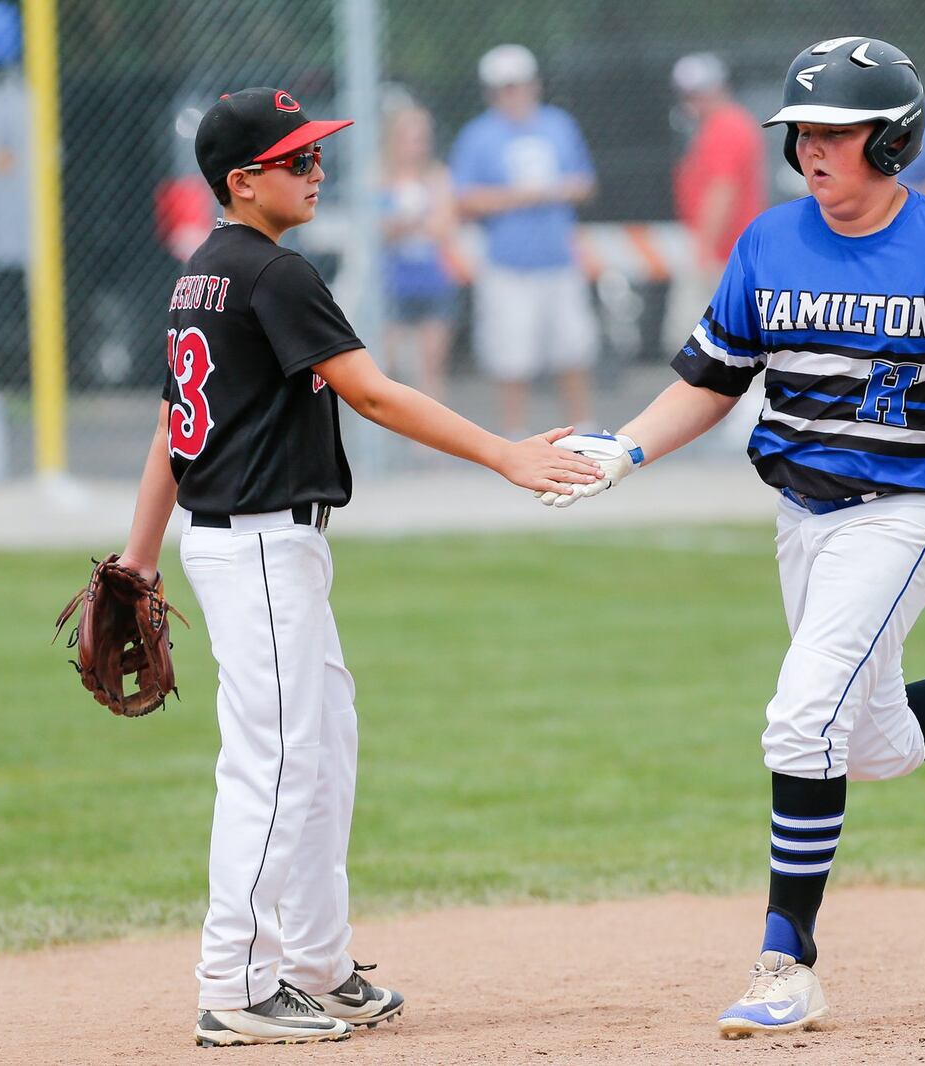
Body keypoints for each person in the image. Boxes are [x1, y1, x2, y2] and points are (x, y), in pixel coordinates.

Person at [539, 38, 925, 1037]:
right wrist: (627, 449)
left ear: (894, 139)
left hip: (908, 510)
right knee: (871, 742)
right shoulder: (768, 242)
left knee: (797, 721)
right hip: (803, 512)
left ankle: (787, 960)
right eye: (804, 133)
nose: (814, 150)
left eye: (837, 132)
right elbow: (710, 379)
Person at [112, 86, 600, 1047]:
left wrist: (137, 558)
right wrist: (504, 453)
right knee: (278, 764)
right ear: (243, 180)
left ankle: (319, 966)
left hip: (256, 544)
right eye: (297, 159)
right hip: (257, 544)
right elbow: (372, 395)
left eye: (317, 154)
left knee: (324, 751)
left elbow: (171, 432)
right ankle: (236, 984)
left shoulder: (201, 274)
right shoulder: (272, 273)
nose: (316, 169)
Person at [451, 44, 599, 437]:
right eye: (503, 87)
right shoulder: (479, 135)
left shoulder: (557, 125)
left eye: (517, 85)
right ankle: (516, 435)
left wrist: (554, 191)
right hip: (507, 263)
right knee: (511, 356)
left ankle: (582, 430)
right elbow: (464, 200)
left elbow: (584, 182)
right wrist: (522, 196)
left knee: (573, 349)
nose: (512, 94)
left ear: (533, 85)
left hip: (558, 258)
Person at [664, 52, 765, 355]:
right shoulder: (717, 126)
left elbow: (722, 190)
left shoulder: (726, 127)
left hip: (721, 255)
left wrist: (704, 250)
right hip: (723, 252)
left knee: (697, 345)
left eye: (698, 92)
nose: (692, 101)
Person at [380, 98, 460, 400]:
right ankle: (387, 437)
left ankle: (427, 441)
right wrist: (405, 224)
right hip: (392, 281)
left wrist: (408, 223)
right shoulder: (379, 176)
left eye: (423, 138)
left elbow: (444, 227)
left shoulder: (437, 176)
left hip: (432, 278)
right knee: (388, 362)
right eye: (411, 138)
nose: (419, 145)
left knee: (431, 363)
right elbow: (377, 230)